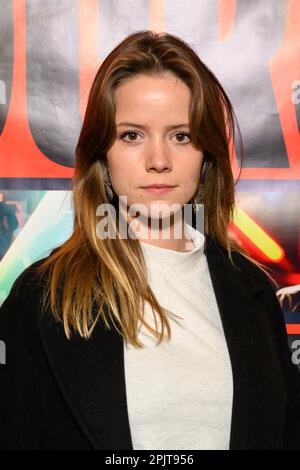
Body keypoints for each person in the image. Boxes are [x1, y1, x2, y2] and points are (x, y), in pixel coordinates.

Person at [0, 30, 300, 450]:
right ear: (101, 152)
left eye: (181, 136)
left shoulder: (252, 294)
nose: (158, 161)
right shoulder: (40, 298)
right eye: (132, 135)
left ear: (206, 152)